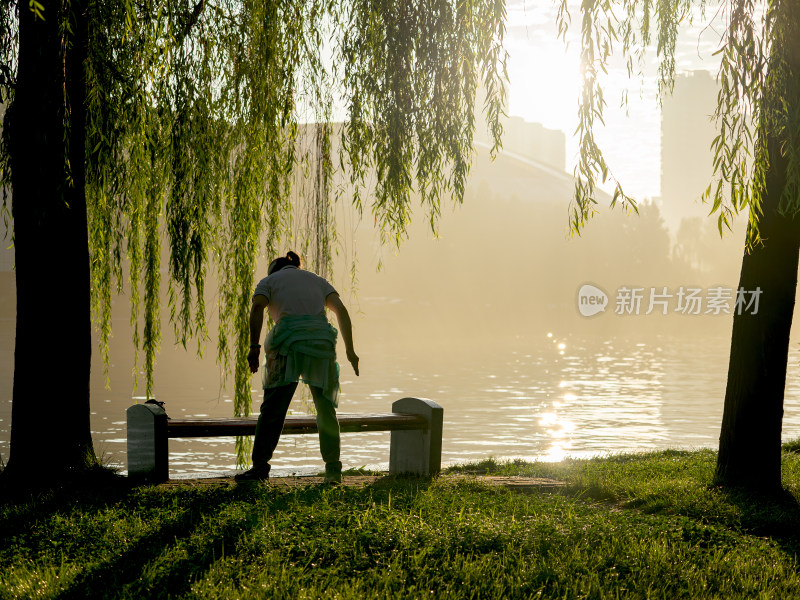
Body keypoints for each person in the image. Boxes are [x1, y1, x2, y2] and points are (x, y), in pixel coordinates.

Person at [235, 251, 359, 483]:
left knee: (273, 409)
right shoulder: (318, 281)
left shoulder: (269, 281)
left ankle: (260, 467)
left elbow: (257, 308)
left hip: (286, 344)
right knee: (325, 409)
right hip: (320, 343)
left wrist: (254, 346)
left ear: (274, 270)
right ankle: (333, 469)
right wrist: (350, 350)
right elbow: (340, 310)